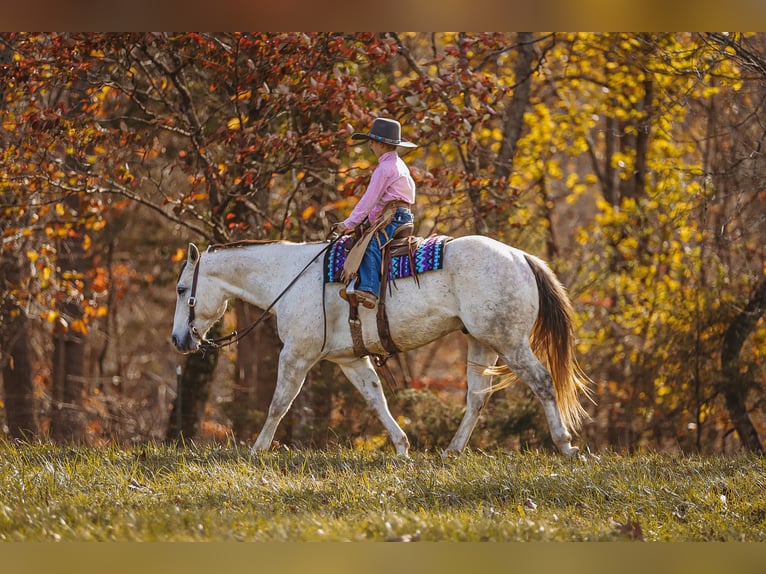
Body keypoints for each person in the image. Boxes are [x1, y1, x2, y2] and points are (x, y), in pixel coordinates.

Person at [337, 117, 417, 309]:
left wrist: (349, 223)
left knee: (371, 244)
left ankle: (369, 289)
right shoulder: (399, 164)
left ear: (381, 144)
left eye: (372, 142)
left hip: (394, 216)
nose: (371, 146)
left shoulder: (384, 169)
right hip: (402, 214)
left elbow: (368, 200)